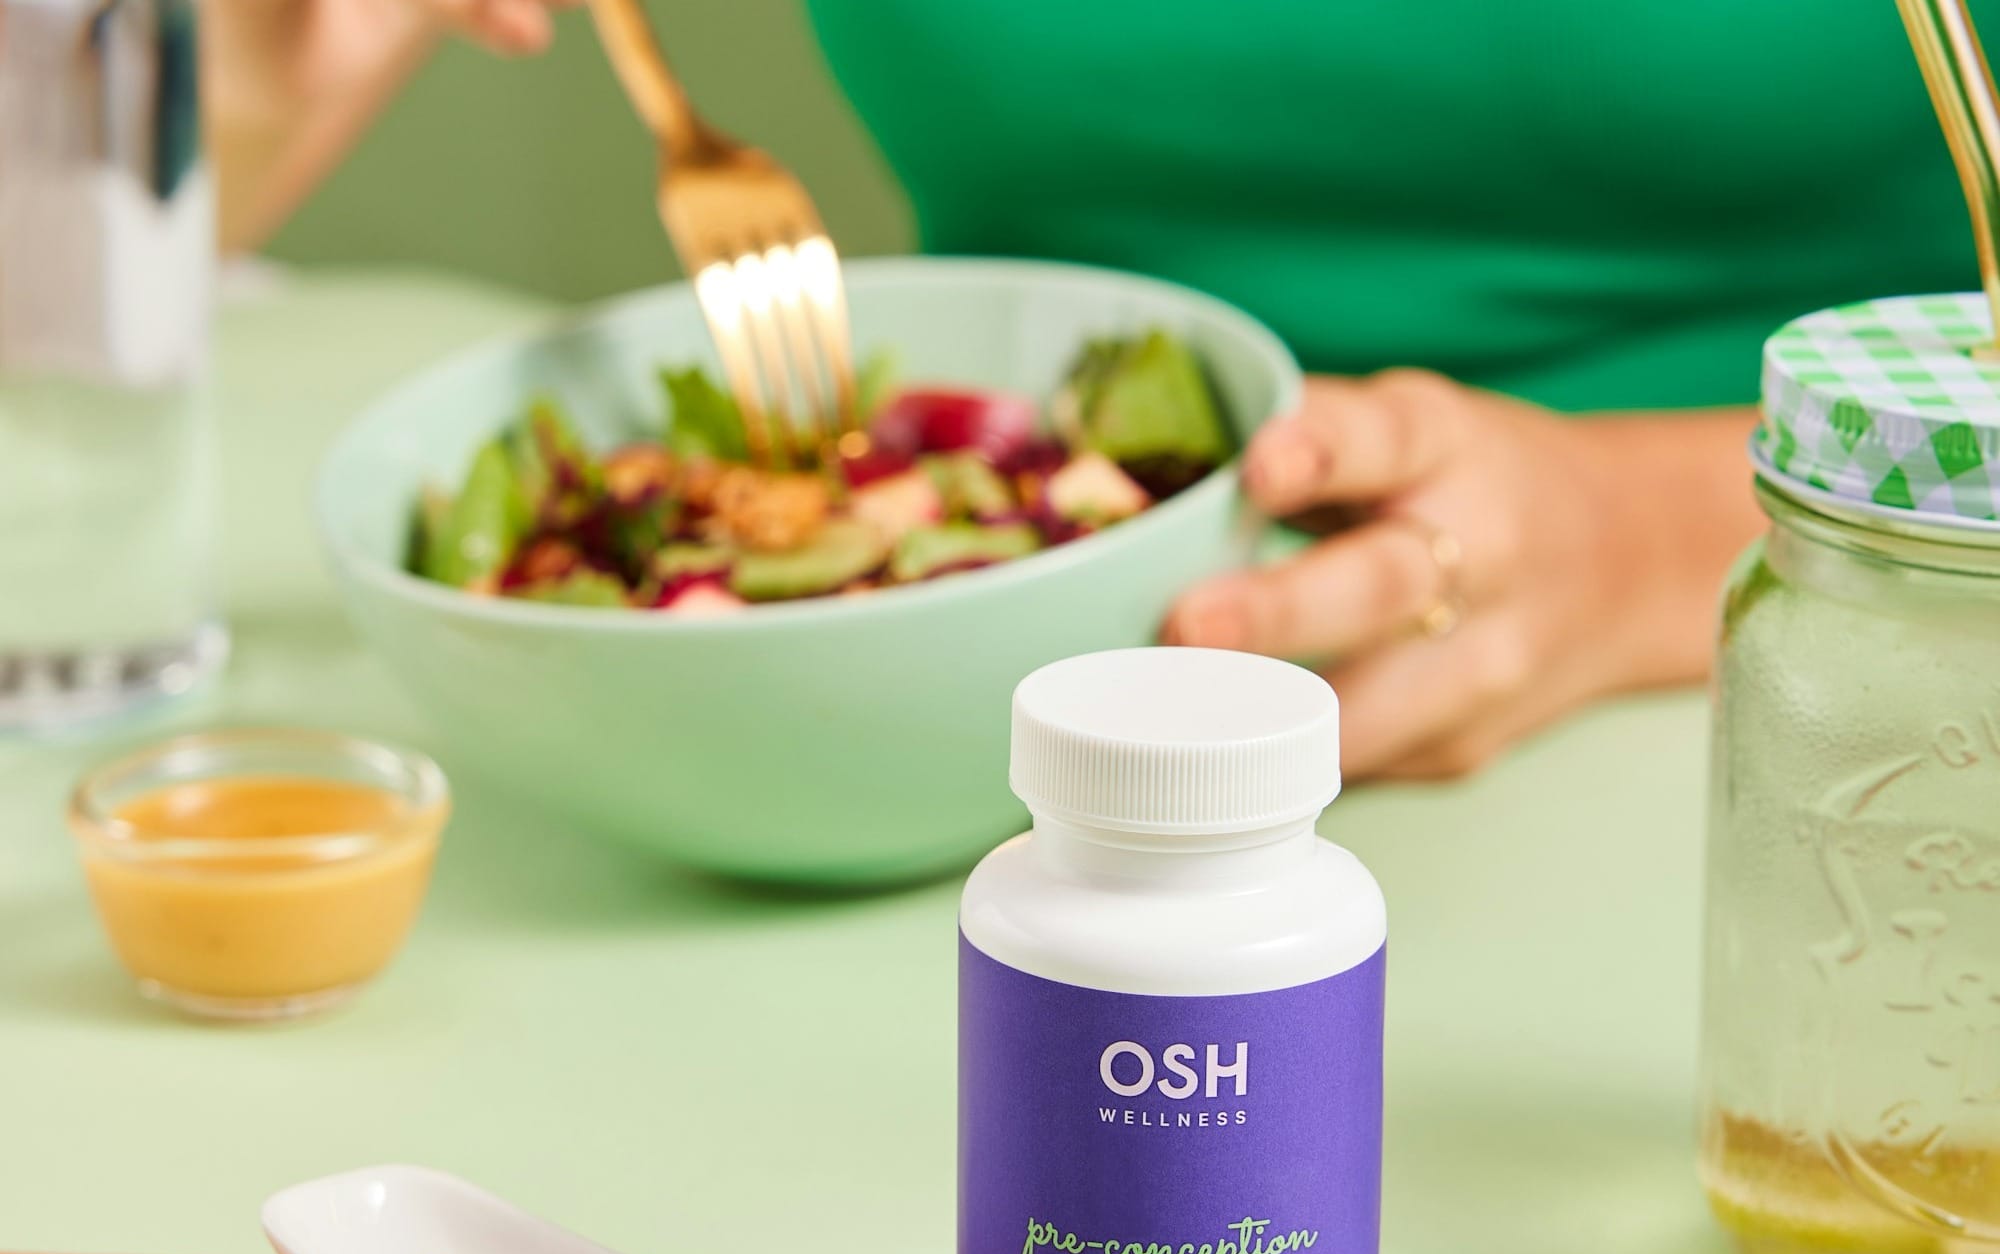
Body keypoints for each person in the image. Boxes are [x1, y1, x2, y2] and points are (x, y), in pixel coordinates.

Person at [210, 0, 1980, 777]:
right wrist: (248, 75)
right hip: (980, 739)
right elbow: (133, 248)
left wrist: (1631, 536)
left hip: (1836, 729)